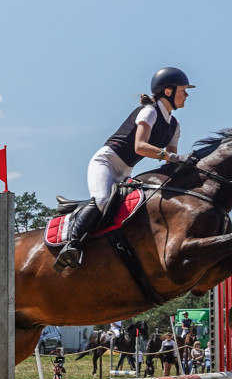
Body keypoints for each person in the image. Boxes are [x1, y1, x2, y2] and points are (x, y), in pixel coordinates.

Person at [53, 67, 194, 271]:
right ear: (168, 91)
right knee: (101, 200)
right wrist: (174, 157)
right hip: (106, 162)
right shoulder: (149, 111)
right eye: (184, 89)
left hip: (125, 171)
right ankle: (71, 244)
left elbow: (170, 162)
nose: (187, 95)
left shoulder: (175, 125)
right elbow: (140, 146)